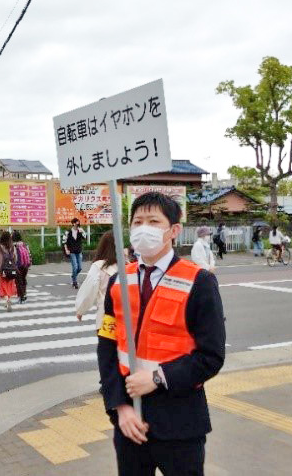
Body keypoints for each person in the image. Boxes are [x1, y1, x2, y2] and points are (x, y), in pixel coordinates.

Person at [98, 192, 225, 476]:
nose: (144, 228)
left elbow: (211, 356)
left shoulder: (200, 282)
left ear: (174, 230)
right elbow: (107, 350)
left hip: (180, 425)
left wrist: (157, 378)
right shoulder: (119, 281)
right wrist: (120, 407)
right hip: (130, 424)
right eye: (138, 221)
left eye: (154, 221)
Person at [75, 231, 117, 329]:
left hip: (106, 318)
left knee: (107, 343)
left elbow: (88, 292)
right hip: (127, 318)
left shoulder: (98, 266)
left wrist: (80, 310)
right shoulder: (127, 265)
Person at [0, 231, 18, 311]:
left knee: (2, 286)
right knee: (10, 285)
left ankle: (6, 300)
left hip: (2, 270)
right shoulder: (12, 247)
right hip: (11, 270)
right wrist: (13, 266)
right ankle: (8, 299)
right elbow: (15, 258)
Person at [63, 218, 86, 289]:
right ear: (73, 223)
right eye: (76, 223)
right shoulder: (68, 232)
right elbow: (64, 241)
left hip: (79, 251)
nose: (78, 225)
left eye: (78, 223)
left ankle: (73, 275)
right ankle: (75, 282)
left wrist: (83, 232)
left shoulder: (80, 231)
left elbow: (85, 238)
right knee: (75, 267)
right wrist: (66, 249)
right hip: (72, 251)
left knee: (79, 268)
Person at [12, 230, 31, 303]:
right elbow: (29, 255)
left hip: (18, 265)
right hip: (25, 265)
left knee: (18, 281)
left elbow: (13, 256)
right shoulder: (25, 245)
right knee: (23, 279)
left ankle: (21, 297)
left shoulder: (14, 245)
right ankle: (24, 294)